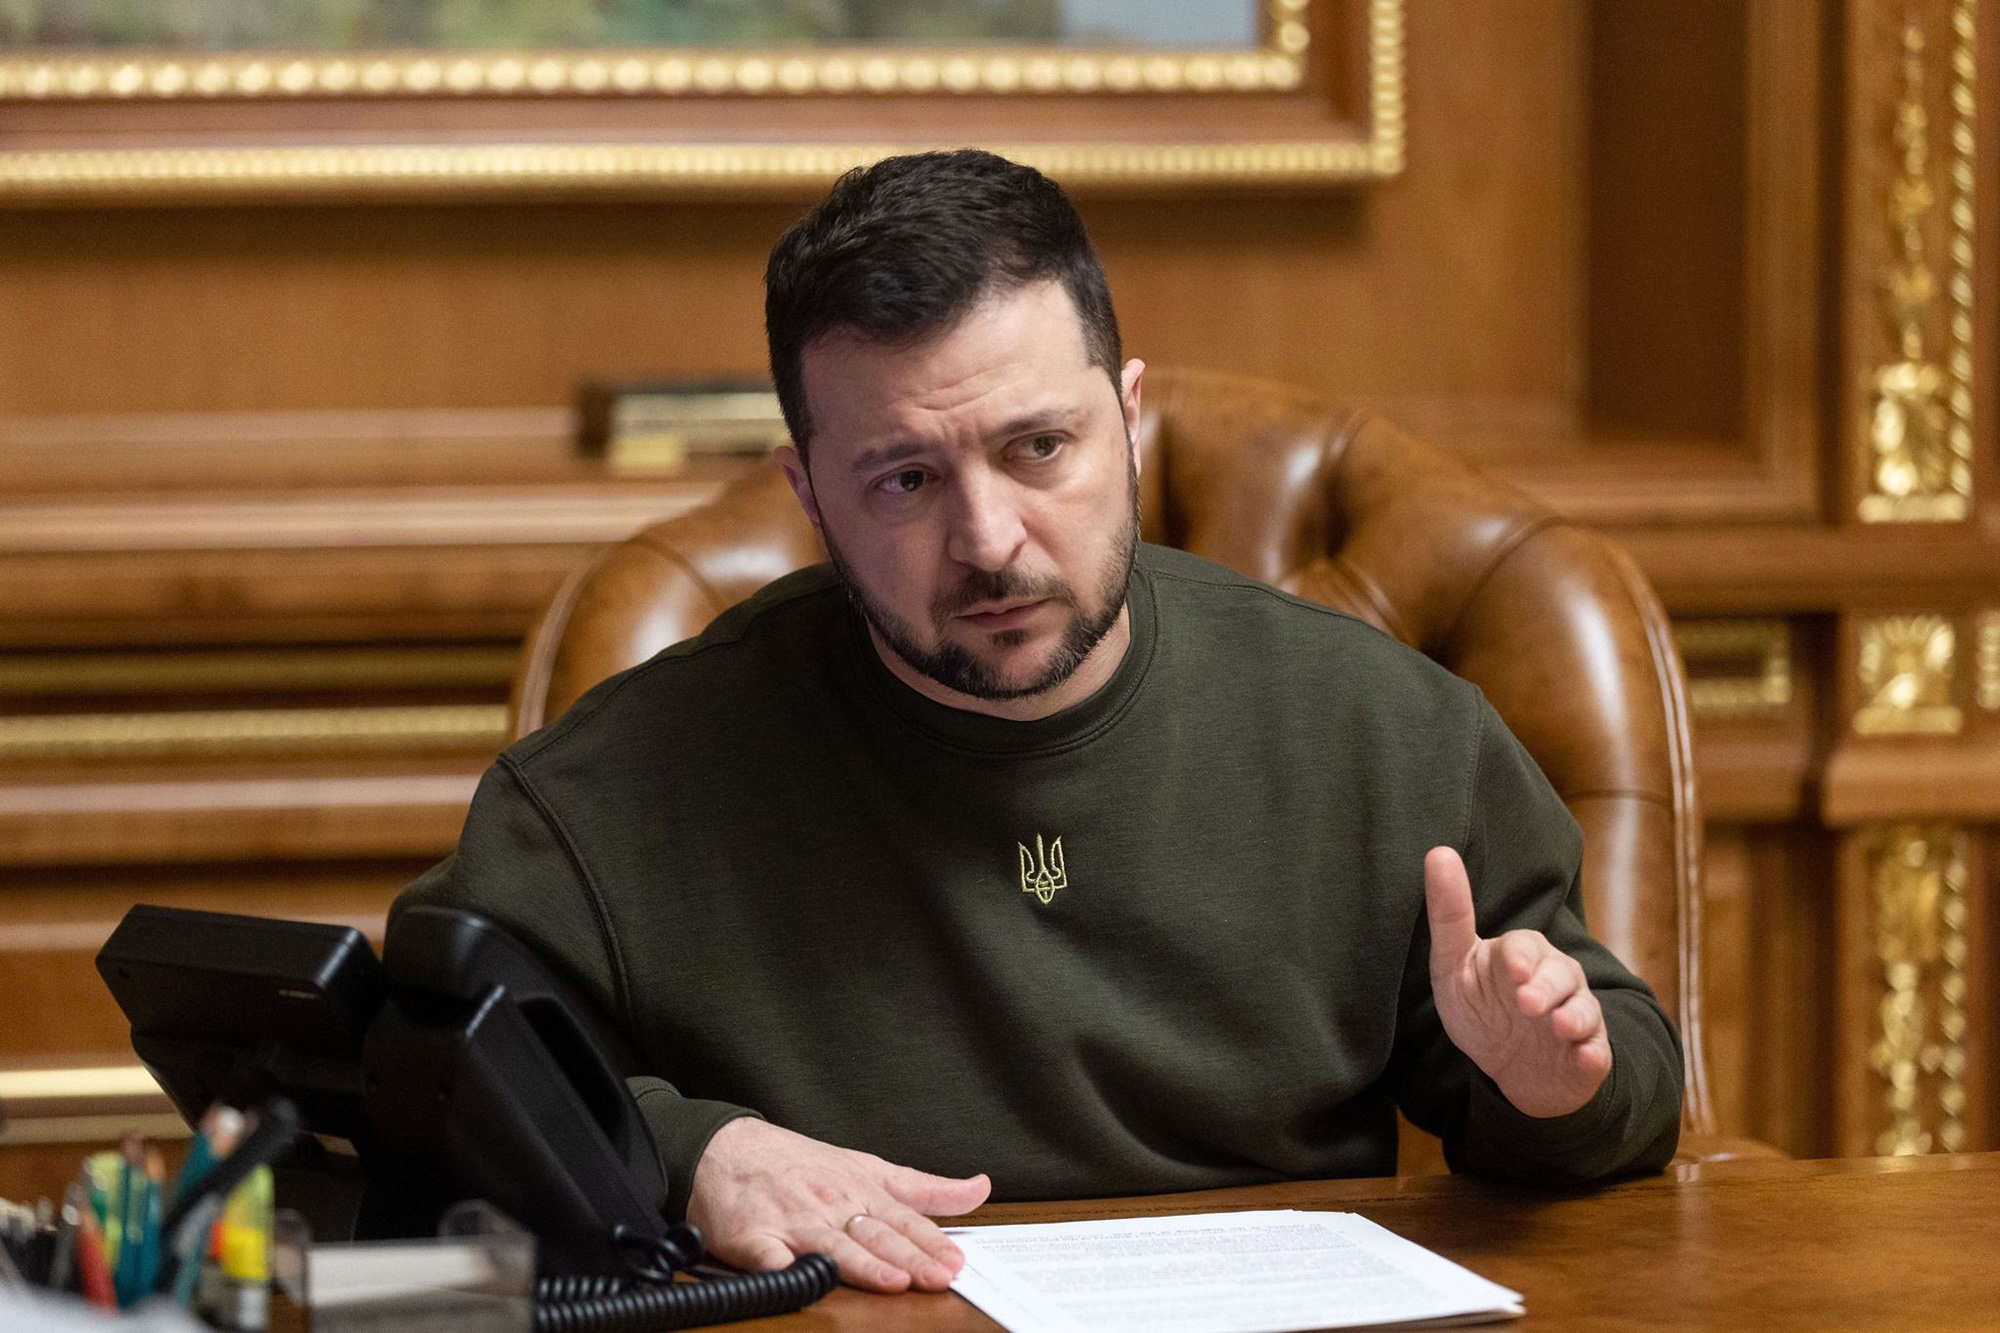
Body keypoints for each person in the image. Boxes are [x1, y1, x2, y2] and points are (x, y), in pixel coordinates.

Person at [394, 149, 1683, 1296]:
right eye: (905, 479)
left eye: (1039, 450)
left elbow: (1622, 1086)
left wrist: (1552, 1080)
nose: (989, 540)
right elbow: (410, 1076)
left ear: (1128, 419)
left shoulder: (1381, 727)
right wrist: (691, 1154)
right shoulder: (623, 782)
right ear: (810, 494)